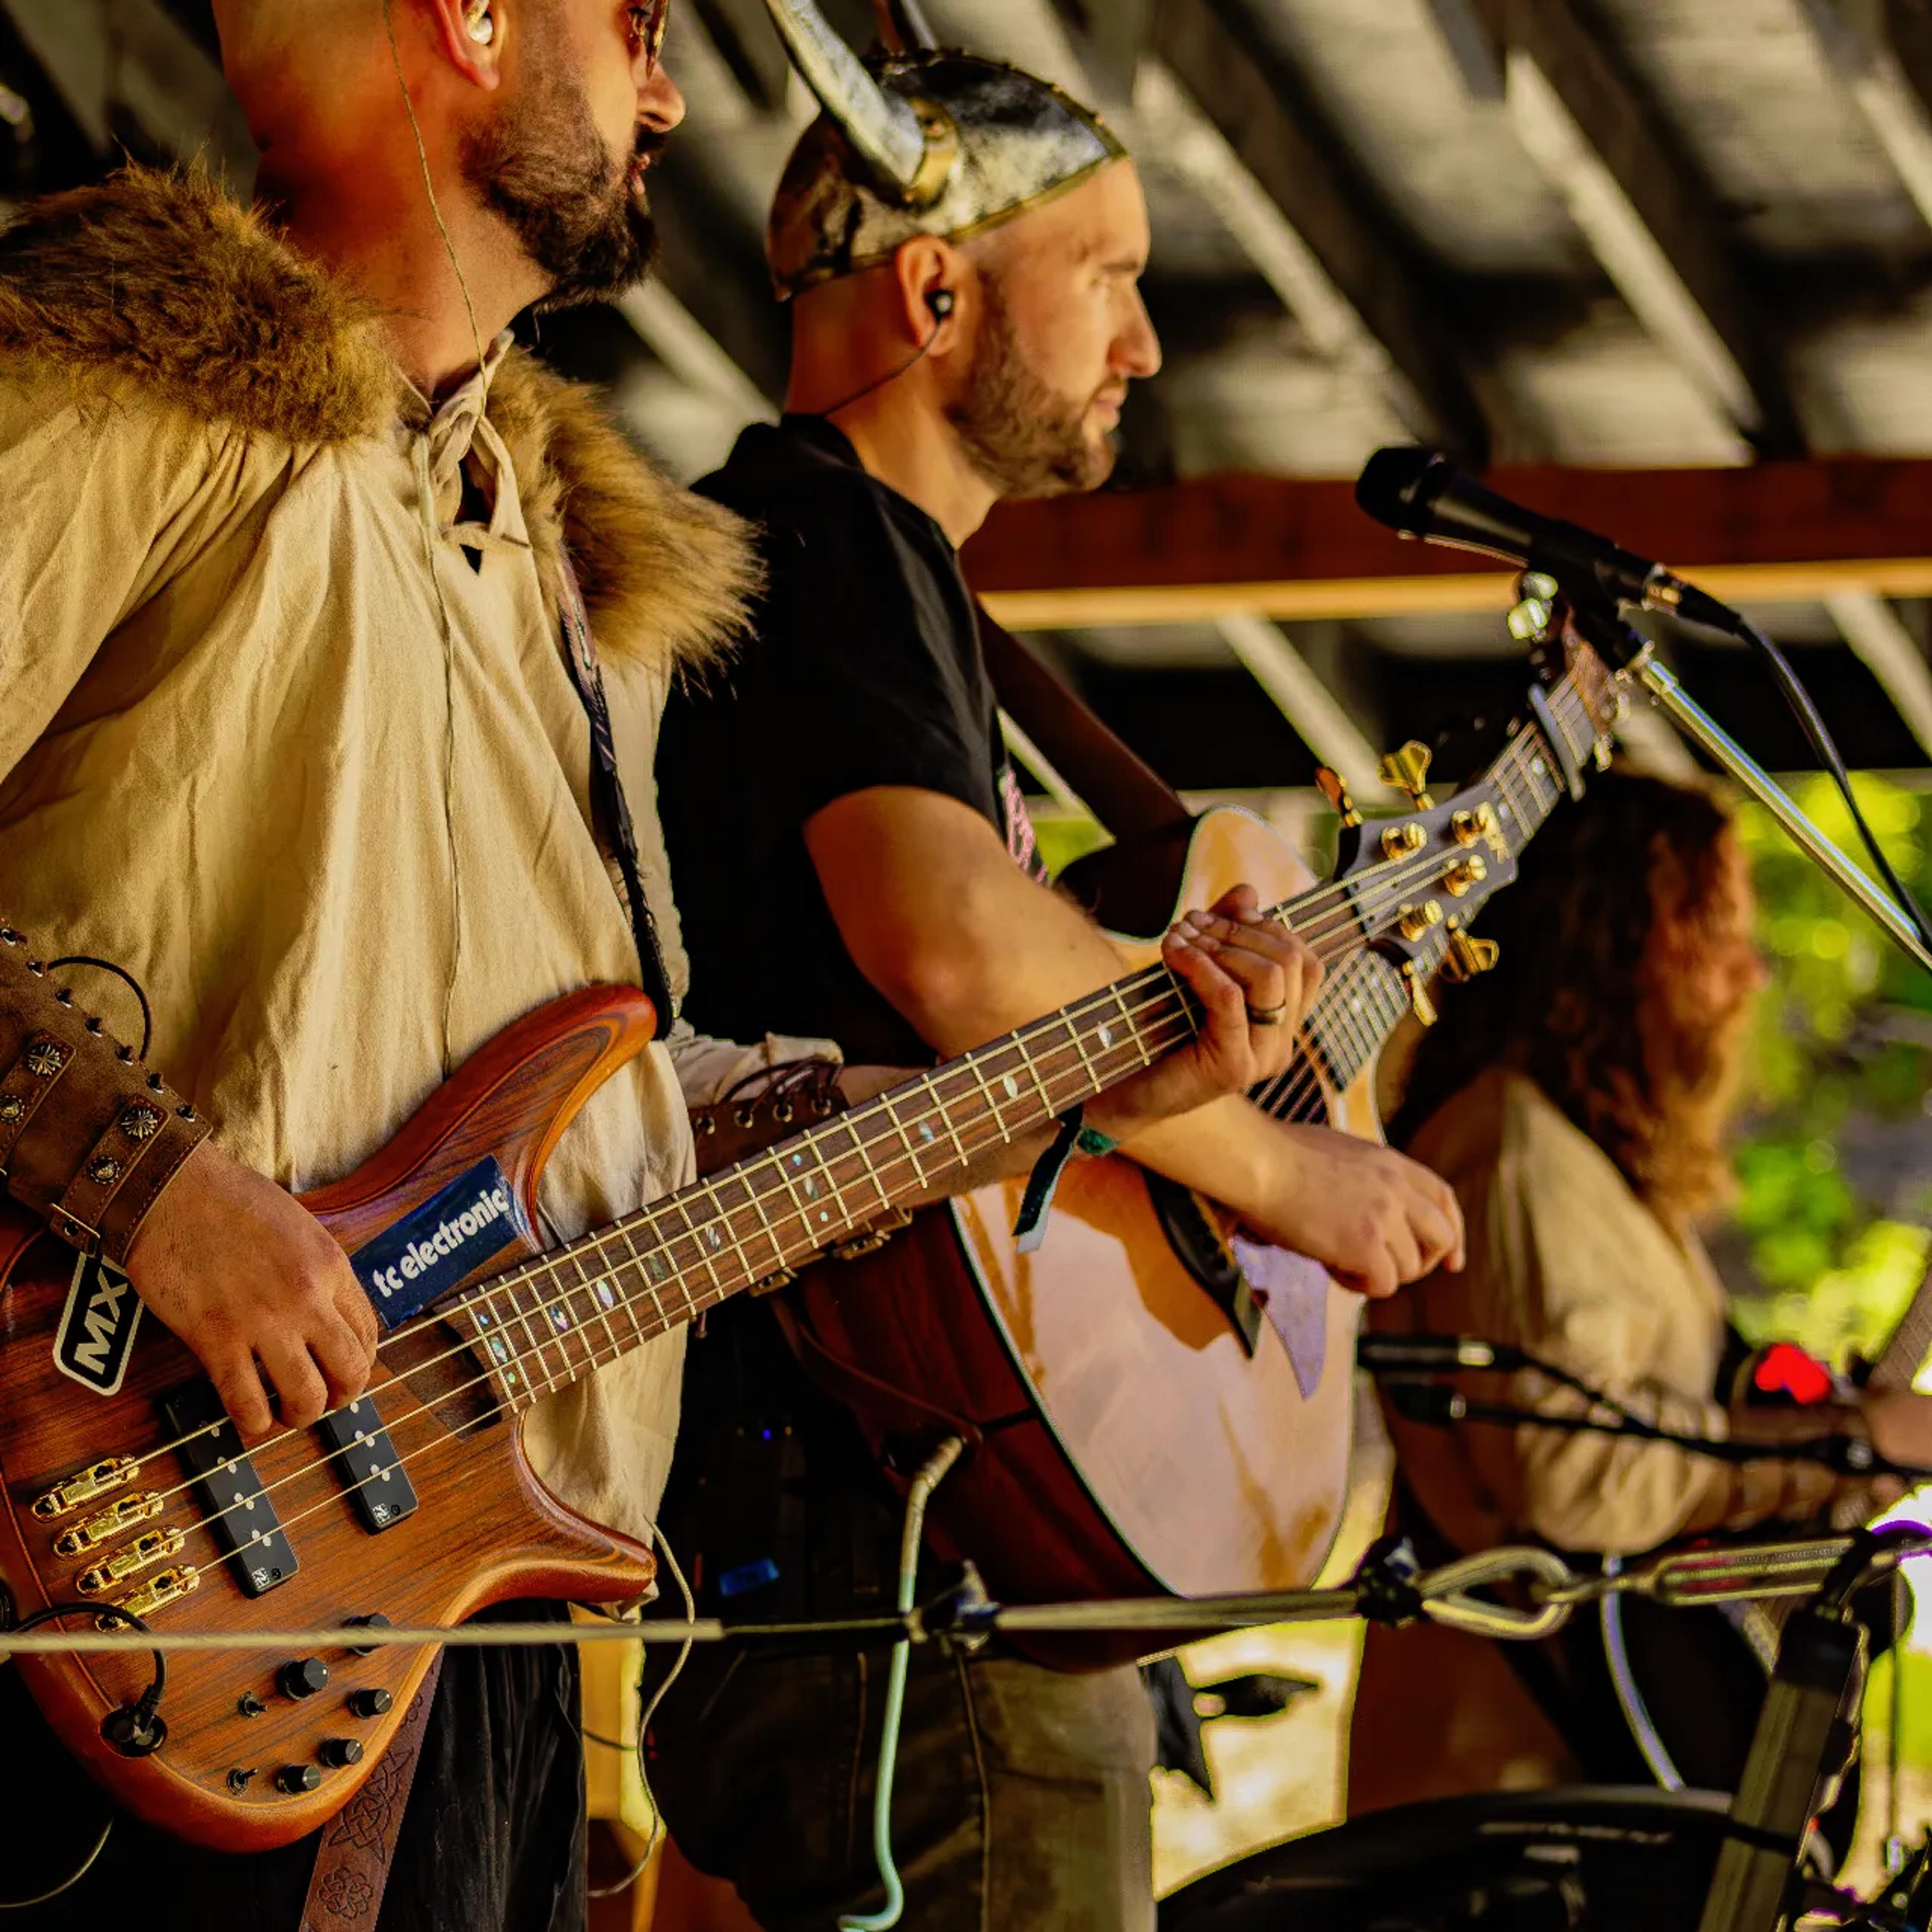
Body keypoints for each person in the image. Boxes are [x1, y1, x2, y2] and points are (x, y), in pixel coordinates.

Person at [0, 8, 1328, 1923]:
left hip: (469, 1641)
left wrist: (1059, 1100)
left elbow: (612, 1120)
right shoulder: (120, 386)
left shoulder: (569, 575)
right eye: (628, 24)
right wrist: (145, 1181)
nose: (670, 92)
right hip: (131, 1585)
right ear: (466, 17)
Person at [649, 13, 1468, 1929]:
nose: (1145, 344)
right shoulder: (825, 534)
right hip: (900, 1568)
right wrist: (1286, 1173)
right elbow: (948, 943)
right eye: (1106, 277)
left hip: (903, 1546)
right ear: (935, 286)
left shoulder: (880, 574)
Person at [1347, 769, 1932, 1823]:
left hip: (1583, 1800)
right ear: (1609, 938)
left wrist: (1833, 1462)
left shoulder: (1587, 1166)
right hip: (1510, 1809)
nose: (1750, 974)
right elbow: (1575, 1482)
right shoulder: (1518, 1151)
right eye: (1714, 929)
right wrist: (1845, 1440)